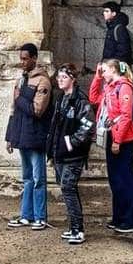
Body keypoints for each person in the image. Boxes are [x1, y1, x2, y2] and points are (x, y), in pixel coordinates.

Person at [88, 57, 133, 235]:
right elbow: (93, 98)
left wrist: (118, 140)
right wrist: (97, 77)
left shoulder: (124, 87)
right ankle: (119, 217)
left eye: (104, 70)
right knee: (115, 179)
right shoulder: (109, 87)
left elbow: (126, 116)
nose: (102, 73)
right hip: (112, 133)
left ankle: (132, 220)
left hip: (123, 137)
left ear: (113, 69)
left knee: (125, 179)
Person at [4, 43, 53, 230]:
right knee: (27, 178)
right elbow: (13, 111)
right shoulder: (21, 80)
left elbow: (37, 110)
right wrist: (10, 136)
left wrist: (19, 98)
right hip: (23, 134)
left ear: (34, 58)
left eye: (25, 58)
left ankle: (40, 217)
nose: (22, 62)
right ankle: (26, 215)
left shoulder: (43, 81)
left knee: (38, 178)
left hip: (36, 135)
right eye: (21, 59)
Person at [45, 63, 94, 245]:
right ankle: (74, 227)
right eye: (58, 77)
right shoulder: (60, 98)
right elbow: (55, 125)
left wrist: (71, 142)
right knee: (66, 189)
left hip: (73, 154)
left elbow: (88, 125)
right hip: (60, 152)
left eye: (64, 77)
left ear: (73, 79)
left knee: (68, 187)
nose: (60, 80)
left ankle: (78, 229)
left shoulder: (80, 100)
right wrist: (52, 149)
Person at [101, 0, 133, 67]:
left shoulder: (119, 28)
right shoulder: (111, 27)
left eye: (107, 11)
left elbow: (123, 50)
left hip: (117, 66)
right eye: (104, 11)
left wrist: (114, 65)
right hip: (112, 65)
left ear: (114, 13)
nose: (104, 13)